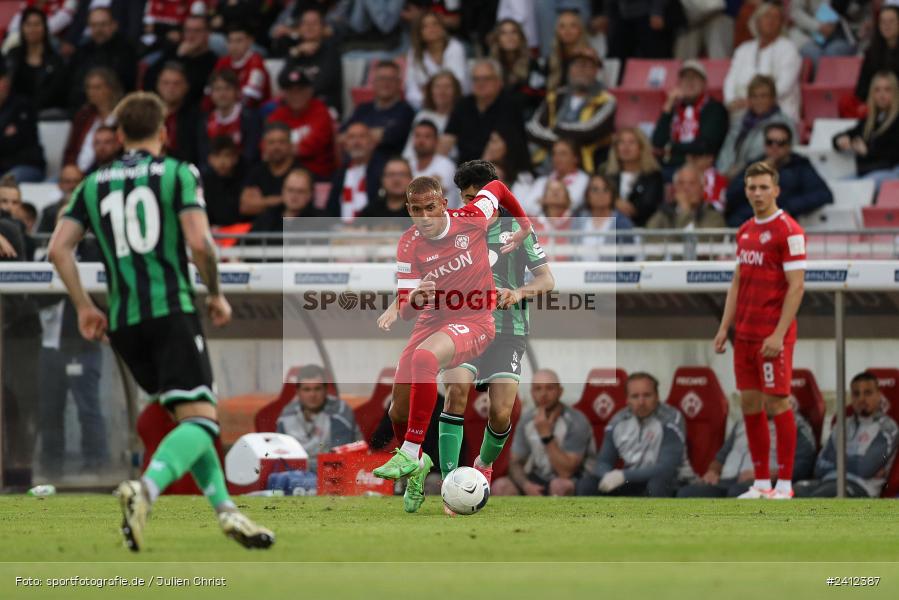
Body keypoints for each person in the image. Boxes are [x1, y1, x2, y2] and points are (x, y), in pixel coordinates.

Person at [48, 91, 274, 551]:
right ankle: (145, 489)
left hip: (124, 322)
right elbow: (200, 242)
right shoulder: (179, 172)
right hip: (171, 311)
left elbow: (57, 249)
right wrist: (215, 294)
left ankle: (227, 512)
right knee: (204, 422)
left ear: (119, 135)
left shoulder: (93, 183)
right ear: (163, 131)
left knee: (188, 417)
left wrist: (84, 306)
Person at [373, 170, 533, 513]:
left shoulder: (472, 218)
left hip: (474, 319)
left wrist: (524, 226)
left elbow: (500, 188)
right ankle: (416, 471)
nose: (425, 217)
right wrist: (415, 296)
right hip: (432, 319)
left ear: (444, 204)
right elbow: (406, 311)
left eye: (431, 207)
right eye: (416, 210)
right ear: (408, 210)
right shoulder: (408, 243)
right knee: (397, 406)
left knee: (425, 361)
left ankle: (413, 451)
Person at [440, 161, 554, 499]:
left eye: (478, 197)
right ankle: (450, 483)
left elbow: (547, 280)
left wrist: (517, 293)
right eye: (466, 198)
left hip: (508, 330)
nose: (473, 205)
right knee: (455, 393)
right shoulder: (453, 229)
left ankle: (483, 465)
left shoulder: (518, 230)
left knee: (502, 412)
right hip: (464, 326)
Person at [713, 161, 807, 500]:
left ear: (776, 190)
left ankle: (785, 484)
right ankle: (761, 483)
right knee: (750, 404)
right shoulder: (745, 230)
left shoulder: (789, 231)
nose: (757, 193)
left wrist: (779, 334)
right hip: (746, 336)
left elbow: (796, 287)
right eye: (752, 187)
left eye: (763, 187)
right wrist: (725, 327)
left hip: (772, 336)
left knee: (777, 404)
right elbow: (738, 281)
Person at [38, 205, 108, 478]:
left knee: (89, 408)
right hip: (50, 345)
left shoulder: (96, 254)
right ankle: (52, 467)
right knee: (49, 410)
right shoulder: (44, 255)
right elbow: (36, 298)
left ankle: (97, 466)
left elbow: (103, 297)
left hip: (84, 344)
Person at [576, 372, 689, 498]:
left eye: (647, 395)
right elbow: (603, 462)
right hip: (631, 480)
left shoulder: (670, 419)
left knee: (657, 483)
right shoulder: (618, 421)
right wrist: (607, 475)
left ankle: (658, 518)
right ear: (627, 400)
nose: (641, 402)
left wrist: (623, 475)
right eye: (635, 396)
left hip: (670, 481)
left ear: (657, 396)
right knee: (587, 484)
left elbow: (666, 467)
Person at [795, 372, 899, 498]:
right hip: (826, 481)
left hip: (860, 487)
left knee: (821, 498)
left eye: (868, 393)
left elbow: (865, 468)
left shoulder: (888, 428)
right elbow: (819, 466)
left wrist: (835, 460)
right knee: (793, 491)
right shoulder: (842, 424)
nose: (862, 399)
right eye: (856, 394)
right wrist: (856, 460)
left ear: (878, 395)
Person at [492, 369, 592, 497]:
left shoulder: (576, 420)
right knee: (500, 487)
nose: (543, 394)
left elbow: (566, 471)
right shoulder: (527, 420)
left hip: (575, 481)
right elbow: (514, 462)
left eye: (549, 388)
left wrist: (546, 435)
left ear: (560, 392)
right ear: (532, 393)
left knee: (559, 486)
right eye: (538, 389)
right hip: (538, 478)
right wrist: (526, 485)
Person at [676, 407, 816, 498]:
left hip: (761, 483)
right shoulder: (743, 422)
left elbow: (804, 464)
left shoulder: (795, 424)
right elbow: (722, 455)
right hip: (725, 480)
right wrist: (712, 471)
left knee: (737, 492)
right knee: (687, 493)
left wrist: (767, 475)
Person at [526, 46, 616, 175]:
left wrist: (556, 130)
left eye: (588, 66)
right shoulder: (555, 96)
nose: (582, 70)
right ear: (569, 69)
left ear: (596, 71)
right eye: (578, 65)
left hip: (584, 167)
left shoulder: (606, 100)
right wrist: (560, 142)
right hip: (545, 165)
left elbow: (589, 132)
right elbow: (533, 128)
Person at [724, 124, 833, 226]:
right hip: (749, 223)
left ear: (789, 146)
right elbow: (730, 195)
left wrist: (787, 207)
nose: (774, 147)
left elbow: (823, 194)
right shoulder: (754, 165)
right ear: (764, 145)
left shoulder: (799, 166)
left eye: (780, 143)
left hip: (782, 225)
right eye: (770, 142)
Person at [440, 59, 528, 169]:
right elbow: (447, 139)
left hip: (503, 169)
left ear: (499, 81)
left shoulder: (509, 105)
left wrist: (475, 175)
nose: (481, 83)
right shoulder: (463, 105)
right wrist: (436, 167)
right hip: (466, 170)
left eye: (487, 79)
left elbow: (496, 148)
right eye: (476, 79)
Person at [724, 1, 802, 123]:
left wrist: (752, 102)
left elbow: (784, 86)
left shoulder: (789, 48)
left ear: (781, 24)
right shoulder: (744, 49)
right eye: (767, 16)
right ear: (756, 21)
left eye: (776, 17)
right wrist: (731, 101)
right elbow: (730, 80)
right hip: (742, 111)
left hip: (779, 113)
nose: (771, 21)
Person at [652, 60, 729, 180]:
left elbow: (705, 146)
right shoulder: (674, 108)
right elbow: (657, 142)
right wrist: (668, 107)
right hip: (671, 166)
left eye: (695, 78)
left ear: (704, 83)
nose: (690, 82)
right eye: (685, 78)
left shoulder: (714, 108)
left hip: (703, 169)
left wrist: (670, 149)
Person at [276, 365, 362, 472]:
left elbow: (339, 461)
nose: (312, 394)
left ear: (326, 390)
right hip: (298, 473)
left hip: (335, 475)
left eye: (317, 389)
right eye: (307, 389)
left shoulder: (339, 413)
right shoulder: (286, 416)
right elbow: (279, 455)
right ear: (297, 392)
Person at [717, 75, 796, 180]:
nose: (758, 101)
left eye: (763, 96)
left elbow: (783, 156)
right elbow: (726, 149)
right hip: (730, 176)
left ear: (773, 98)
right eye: (754, 96)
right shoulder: (739, 121)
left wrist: (741, 171)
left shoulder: (784, 124)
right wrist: (723, 171)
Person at [266, 65, 337, 181]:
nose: (296, 96)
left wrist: (279, 150)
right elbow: (265, 146)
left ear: (310, 91)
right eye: (291, 91)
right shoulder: (277, 114)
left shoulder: (320, 111)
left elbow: (311, 147)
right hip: (281, 174)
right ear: (284, 94)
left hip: (315, 175)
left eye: (300, 90)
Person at [833, 72, 899, 191]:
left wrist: (867, 151)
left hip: (890, 173)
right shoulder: (870, 120)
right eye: (877, 90)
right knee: (835, 186)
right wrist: (840, 140)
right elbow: (847, 134)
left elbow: (892, 156)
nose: (882, 95)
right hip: (866, 172)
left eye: (887, 90)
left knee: (864, 185)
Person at [67, 5, 137, 109]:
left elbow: (125, 84)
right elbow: (71, 82)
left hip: (116, 107)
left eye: (103, 24)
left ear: (114, 25)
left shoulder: (126, 51)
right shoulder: (82, 51)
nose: (99, 29)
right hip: (81, 107)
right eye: (94, 25)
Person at [143, 14, 218, 110]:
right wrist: (179, 56)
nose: (191, 35)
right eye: (188, 30)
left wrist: (183, 58)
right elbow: (150, 79)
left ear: (207, 33)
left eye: (197, 31)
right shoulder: (173, 52)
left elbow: (196, 89)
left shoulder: (213, 61)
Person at [345, 60, 416, 162]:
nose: (385, 83)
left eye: (390, 79)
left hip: (388, 168)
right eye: (381, 78)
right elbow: (342, 135)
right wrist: (374, 134)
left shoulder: (406, 111)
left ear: (399, 83)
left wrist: (356, 136)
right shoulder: (363, 109)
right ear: (373, 82)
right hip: (357, 165)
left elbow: (392, 137)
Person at [5, 7, 67, 113]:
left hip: (45, 116)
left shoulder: (55, 60)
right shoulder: (12, 56)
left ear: (45, 28)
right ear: (22, 28)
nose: (32, 29)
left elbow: (58, 93)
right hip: (14, 115)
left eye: (37, 24)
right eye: (28, 24)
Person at [282, 8, 343, 115]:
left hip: (323, 106)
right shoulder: (295, 52)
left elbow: (323, 84)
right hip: (295, 107)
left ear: (323, 28)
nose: (309, 27)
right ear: (299, 28)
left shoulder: (331, 52)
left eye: (314, 23)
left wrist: (296, 94)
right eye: (305, 23)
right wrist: (294, 55)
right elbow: (282, 81)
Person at [599, 127, 665, 227]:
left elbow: (648, 206)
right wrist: (615, 203)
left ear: (641, 148)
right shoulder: (607, 175)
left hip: (642, 229)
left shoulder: (653, 176)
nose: (626, 147)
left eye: (631, 142)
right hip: (608, 230)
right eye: (621, 142)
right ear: (616, 148)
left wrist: (622, 207)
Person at [199, 70, 263, 169]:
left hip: (242, 173)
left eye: (227, 88)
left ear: (237, 92)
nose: (222, 94)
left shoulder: (250, 118)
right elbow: (203, 155)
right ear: (211, 93)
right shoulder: (205, 121)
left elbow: (251, 153)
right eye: (217, 89)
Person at [63, 67, 122, 174]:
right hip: (76, 173)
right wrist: (70, 169)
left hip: (110, 170)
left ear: (110, 88)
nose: (91, 92)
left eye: (97, 87)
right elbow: (71, 150)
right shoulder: (83, 115)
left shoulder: (122, 116)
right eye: (89, 88)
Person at [404, 11, 468, 110]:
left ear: (442, 27)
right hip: (423, 105)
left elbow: (458, 84)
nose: (431, 29)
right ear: (419, 32)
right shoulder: (414, 52)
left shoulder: (455, 47)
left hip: (455, 105)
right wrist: (427, 101)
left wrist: (427, 89)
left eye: (435, 24)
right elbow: (411, 88)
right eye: (425, 26)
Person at [326, 122, 384, 222]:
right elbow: (332, 208)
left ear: (372, 143)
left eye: (362, 136)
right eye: (351, 137)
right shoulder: (340, 173)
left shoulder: (383, 170)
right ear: (345, 145)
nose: (356, 142)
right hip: (343, 232)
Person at [488, 18, 545, 118]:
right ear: (497, 39)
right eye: (504, 33)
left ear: (521, 38)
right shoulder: (490, 65)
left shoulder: (532, 64)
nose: (509, 37)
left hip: (524, 116)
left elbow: (537, 96)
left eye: (514, 32)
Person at [240, 123, 299, 218]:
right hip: (261, 229)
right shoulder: (256, 172)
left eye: (281, 142)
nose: (276, 147)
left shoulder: (300, 173)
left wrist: (261, 202)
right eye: (271, 142)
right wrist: (281, 200)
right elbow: (245, 207)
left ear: (290, 145)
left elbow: (298, 208)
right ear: (264, 146)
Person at [251, 167, 330, 238]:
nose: (294, 196)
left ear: (310, 194)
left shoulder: (321, 221)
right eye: (290, 190)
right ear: (283, 191)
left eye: (300, 191)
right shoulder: (268, 218)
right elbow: (245, 247)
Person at [0, 61, 46, 184]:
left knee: (6, 183)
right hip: (3, 166)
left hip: (26, 165)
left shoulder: (23, 106)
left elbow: (21, 142)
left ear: (7, 81)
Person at [573, 173, 635, 261]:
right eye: (595, 189)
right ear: (587, 195)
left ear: (612, 194)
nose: (600, 194)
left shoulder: (623, 223)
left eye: (605, 190)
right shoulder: (577, 221)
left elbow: (627, 258)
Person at [401, 71, 462, 159]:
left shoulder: (462, 116)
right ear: (430, 91)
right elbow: (409, 150)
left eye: (447, 87)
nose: (442, 91)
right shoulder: (423, 116)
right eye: (437, 87)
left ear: (456, 91)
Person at [646, 165, 726, 230]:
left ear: (702, 188)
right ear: (675, 188)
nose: (686, 188)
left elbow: (697, 241)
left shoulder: (713, 216)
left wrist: (685, 210)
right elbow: (650, 239)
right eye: (681, 183)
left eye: (692, 183)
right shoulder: (663, 214)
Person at [524, 139, 590, 217]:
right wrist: (556, 202)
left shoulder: (584, 179)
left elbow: (572, 205)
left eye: (563, 154)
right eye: (554, 154)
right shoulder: (542, 181)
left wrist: (543, 201)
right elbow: (526, 207)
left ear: (576, 158)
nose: (557, 158)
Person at [211, 23, 271, 108]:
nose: (234, 46)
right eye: (230, 41)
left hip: (253, 112)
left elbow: (249, 99)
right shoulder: (223, 62)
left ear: (250, 41)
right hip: (226, 109)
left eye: (239, 41)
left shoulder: (256, 63)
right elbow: (211, 90)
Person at [157, 62, 200, 166]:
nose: (171, 88)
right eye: (166, 83)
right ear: (158, 85)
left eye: (176, 83)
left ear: (186, 86)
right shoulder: (149, 117)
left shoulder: (196, 118)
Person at [407, 120, 458, 208]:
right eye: (417, 136)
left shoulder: (446, 165)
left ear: (436, 141)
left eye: (427, 136)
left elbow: (432, 196)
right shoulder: (408, 163)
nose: (421, 141)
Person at [602, 0, 676, 60]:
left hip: (649, 15)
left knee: (655, 57)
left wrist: (657, 11)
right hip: (621, 15)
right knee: (616, 56)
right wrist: (608, 13)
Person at [855, 6, 899, 104]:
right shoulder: (871, 52)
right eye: (883, 22)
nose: (887, 26)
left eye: (891, 21)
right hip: (875, 104)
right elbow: (861, 88)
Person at [202, 135, 247, 227]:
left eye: (227, 155)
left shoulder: (245, 180)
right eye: (217, 156)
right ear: (210, 159)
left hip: (239, 234)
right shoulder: (203, 183)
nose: (222, 161)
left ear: (235, 158)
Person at [356, 157, 414, 229]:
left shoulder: (420, 210)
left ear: (411, 179)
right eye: (391, 174)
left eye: (402, 174)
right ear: (382, 180)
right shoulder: (371, 211)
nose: (396, 180)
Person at [546, 9, 592, 91]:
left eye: (573, 25)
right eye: (562, 26)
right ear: (557, 32)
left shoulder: (589, 57)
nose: (567, 30)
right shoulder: (552, 59)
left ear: (580, 30)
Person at [37, 165, 83, 234]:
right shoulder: (49, 212)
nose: (72, 186)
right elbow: (41, 239)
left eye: (76, 181)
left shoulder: (92, 209)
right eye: (67, 182)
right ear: (59, 184)